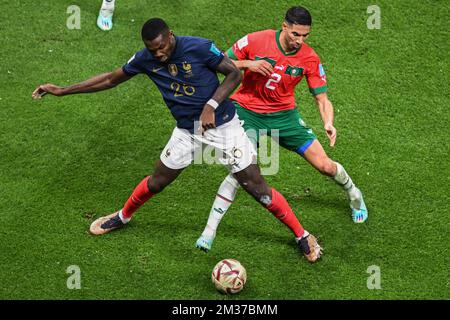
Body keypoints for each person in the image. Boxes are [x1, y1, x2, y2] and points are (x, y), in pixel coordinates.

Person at [32, 18, 322, 262]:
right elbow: (110, 79)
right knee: (158, 181)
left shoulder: (198, 46)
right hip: (187, 130)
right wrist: (62, 90)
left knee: (256, 187)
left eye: (162, 47)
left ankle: (302, 234)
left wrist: (211, 105)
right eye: (152, 50)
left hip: (224, 126)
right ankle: (122, 216)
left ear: (171, 36)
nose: (158, 55)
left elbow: (233, 73)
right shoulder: (145, 58)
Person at [196, 6, 367, 253]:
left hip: (284, 116)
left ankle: (354, 194)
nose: (300, 41)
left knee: (325, 166)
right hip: (246, 111)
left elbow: (322, 99)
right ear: (284, 26)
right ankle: (209, 232)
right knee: (240, 169)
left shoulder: (309, 58)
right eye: (296, 34)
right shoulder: (256, 40)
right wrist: (249, 64)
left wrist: (328, 122)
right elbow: (219, 61)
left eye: (305, 36)